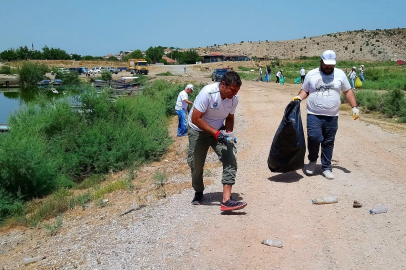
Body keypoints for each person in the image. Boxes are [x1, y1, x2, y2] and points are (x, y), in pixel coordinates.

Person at [292, 50, 359, 180]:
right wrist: (299, 98)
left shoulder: (340, 74)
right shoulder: (311, 74)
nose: (329, 67)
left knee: (329, 142)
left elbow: (347, 91)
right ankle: (312, 161)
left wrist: (354, 107)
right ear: (321, 61)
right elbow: (305, 90)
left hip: (332, 116)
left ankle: (326, 167)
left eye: (331, 65)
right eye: (326, 64)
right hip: (313, 114)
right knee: (314, 137)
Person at [187, 71, 246, 211]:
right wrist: (216, 133)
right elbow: (196, 118)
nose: (235, 93)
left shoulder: (233, 99)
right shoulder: (208, 93)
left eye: (237, 91)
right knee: (196, 163)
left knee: (230, 157)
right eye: (232, 90)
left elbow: (230, 118)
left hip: (219, 130)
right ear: (223, 85)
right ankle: (199, 192)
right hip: (198, 130)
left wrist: (229, 135)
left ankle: (226, 200)